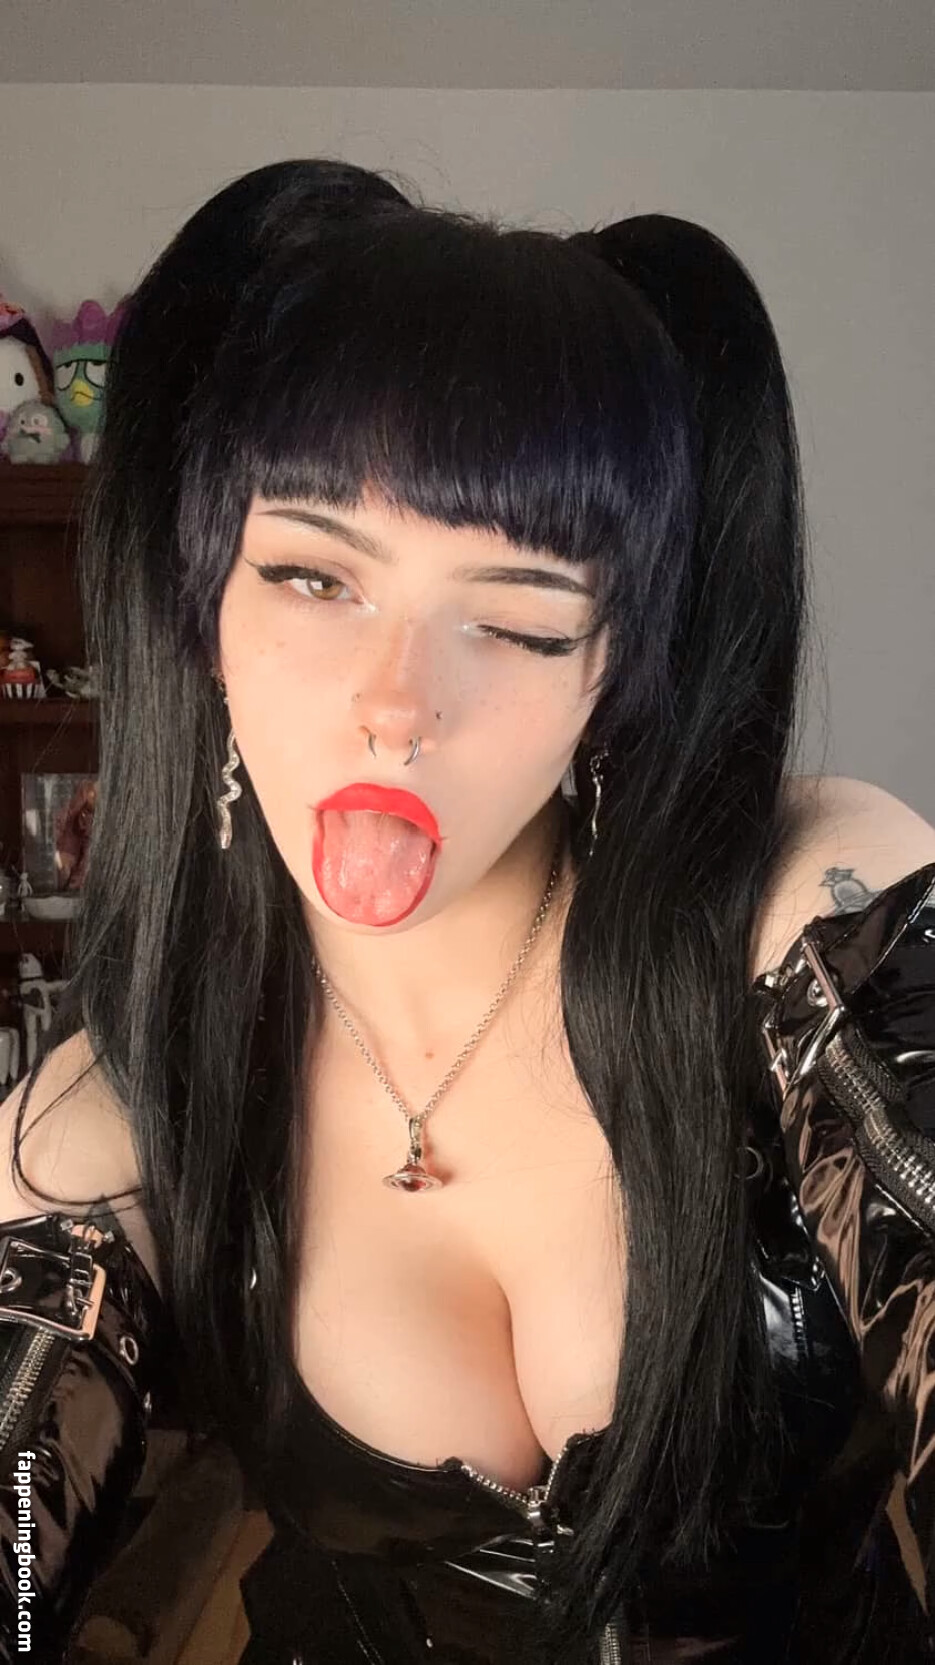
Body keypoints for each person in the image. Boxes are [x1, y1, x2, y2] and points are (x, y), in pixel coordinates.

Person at [0, 158, 934, 1665]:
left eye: (512, 618)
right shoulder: (116, 1109)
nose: (398, 705)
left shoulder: (801, 902)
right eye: (314, 578)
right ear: (204, 605)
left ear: (610, 673)